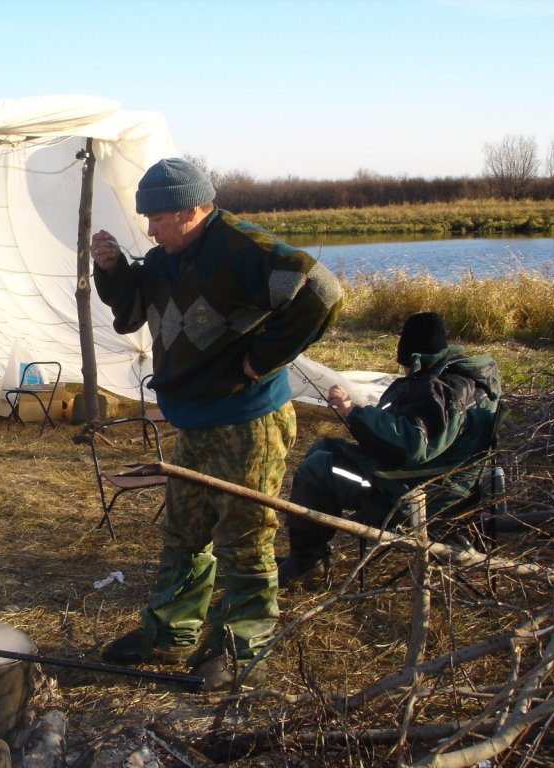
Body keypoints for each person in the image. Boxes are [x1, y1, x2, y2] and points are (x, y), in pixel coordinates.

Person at [91, 157, 343, 690]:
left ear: (190, 209)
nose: (149, 228)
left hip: (246, 421)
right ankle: (169, 634)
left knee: (245, 534)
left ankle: (242, 645)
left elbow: (322, 292)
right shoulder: (167, 256)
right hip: (196, 421)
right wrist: (113, 271)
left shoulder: (241, 247)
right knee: (184, 529)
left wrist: (263, 357)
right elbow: (135, 308)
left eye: (156, 217)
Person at [279, 312, 502, 586]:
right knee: (324, 447)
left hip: (415, 494)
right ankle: (308, 554)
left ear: (413, 358)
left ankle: (307, 566)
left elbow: (407, 447)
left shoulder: (439, 392)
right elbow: (416, 435)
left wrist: (353, 412)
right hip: (446, 482)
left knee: (318, 469)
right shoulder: (464, 378)